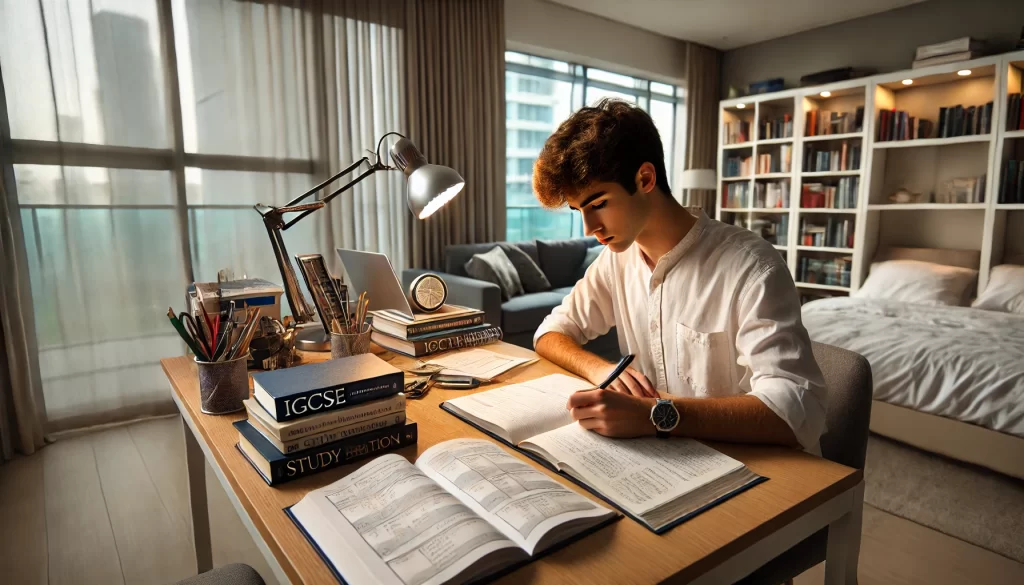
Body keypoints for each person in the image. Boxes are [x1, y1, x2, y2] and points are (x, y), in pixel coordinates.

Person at [532, 99, 827, 453]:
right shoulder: (615, 261)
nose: (590, 227)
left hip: (751, 465)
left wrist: (656, 415)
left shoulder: (750, 266)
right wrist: (601, 371)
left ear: (645, 178)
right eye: (580, 210)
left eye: (598, 205)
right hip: (663, 458)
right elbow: (549, 334)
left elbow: (797, 408)